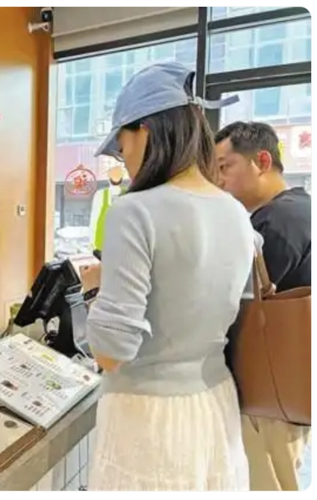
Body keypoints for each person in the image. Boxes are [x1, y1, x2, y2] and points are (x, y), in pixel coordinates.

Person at [84, 62, 255, 490]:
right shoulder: (236, 212)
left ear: (145, 130)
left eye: (121, 145)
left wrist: (96, 290)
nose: (124, 158)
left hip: (148, 419)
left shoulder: (133, 210)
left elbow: (111, 351)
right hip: (215, 406)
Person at [215, 121, 311, 491]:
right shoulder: (298, 209)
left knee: (266, 482)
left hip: (268, 396)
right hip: (283, 387)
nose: (219, 179)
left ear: (263, 161)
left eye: (226, 166)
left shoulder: (278, 221)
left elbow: (233, 300)